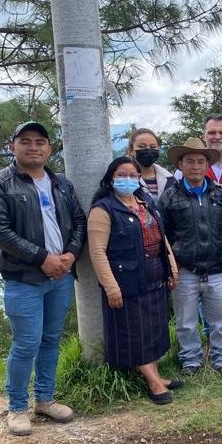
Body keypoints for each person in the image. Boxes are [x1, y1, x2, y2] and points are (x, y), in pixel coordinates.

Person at [0, 121, 86, 435]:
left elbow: (79, 221)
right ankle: (16, 408)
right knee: (26, 343)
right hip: (22, 278)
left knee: (51, 340)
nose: (33, 147)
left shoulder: (61, 184)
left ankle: (45, 399)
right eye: (25, 141)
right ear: (12, 146)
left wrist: (70, 255)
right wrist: (43, 258)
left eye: (40, 142)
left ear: (49, 148)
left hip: (61, 276)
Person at [88, 157, 180, 404]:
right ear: (110, 178)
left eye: (133, 175)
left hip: (154, 276)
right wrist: (111, 286)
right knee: (135, 333)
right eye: (122, 174)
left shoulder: (145, 202)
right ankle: (152, 382)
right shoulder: (103, 209)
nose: (128, 179)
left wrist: (172, 268)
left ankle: (158, 375)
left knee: (153, 330)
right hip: (126, 281)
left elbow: (162, 238)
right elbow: (97, 251)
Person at [158, 138, 222, 376]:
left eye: (200, 161)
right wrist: (169, 267)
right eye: (190, 161)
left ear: (207, 165)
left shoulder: (221, 194)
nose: (195, 166)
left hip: (217, 269)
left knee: (219, 319)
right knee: (186, 321)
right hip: (184, 270)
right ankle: (191, 361)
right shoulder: (169, 197)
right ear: (181, 165)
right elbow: (162, 235)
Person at [127, 128, 174, 203]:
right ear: (131, 151)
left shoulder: (170, 180)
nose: (148, 150)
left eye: (153, 147)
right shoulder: (124, 180)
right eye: (141, 147)